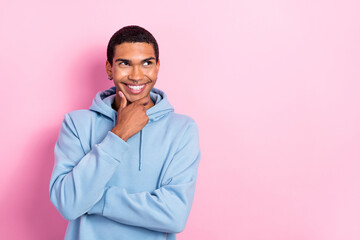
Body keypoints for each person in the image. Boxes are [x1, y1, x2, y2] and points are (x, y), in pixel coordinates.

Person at [49, 25, 201, 240]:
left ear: (157, 67)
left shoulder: (182, 129)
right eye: (125, 64)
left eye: (146, 63)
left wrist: (93, 199)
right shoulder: (77, 124)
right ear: (110, 69)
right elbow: (68, 204)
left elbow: (174, 215)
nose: (137, 76)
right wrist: (119, 134)